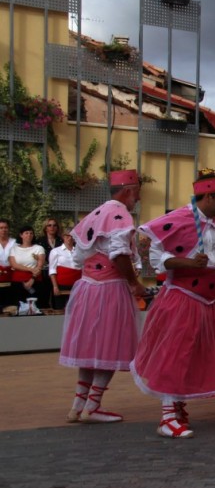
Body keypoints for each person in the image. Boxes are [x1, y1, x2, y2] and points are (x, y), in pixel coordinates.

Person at [131, 169, 215, 439]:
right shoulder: (178, 220)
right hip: (182, 298)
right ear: (206, 196)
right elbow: (157, 257)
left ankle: (178, 405)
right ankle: (167, 417)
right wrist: (188, 263)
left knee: (202, 353)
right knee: (174, 354)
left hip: (210, 299)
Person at [58, 170, 147, 424]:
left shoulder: (95, 215)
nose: (138, 198)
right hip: (110, 288)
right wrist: (133, 282)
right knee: (111, 345)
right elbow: (119, 254)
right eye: (138, 192)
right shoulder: (119, 215)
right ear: (128, 190)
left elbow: (77, 257)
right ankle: (92, 406)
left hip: (87, 288)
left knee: (90, 346)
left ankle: (78, 405)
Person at [8, 225, 46, 307]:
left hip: (35, 281)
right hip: (18, 282)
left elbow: (40, 265)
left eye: (31, 233)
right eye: (26, 233)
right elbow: (14, 265)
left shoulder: (39, 248)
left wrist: (32, 279)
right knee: (18, 306)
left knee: (35, 306)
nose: (29, 235)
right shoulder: (14, 249)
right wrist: (30, 269)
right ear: (21, 235)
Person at [49, 228, 82, 310]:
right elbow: (52, 270)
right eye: (67, 236)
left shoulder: (79, 251)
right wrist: (55, 286)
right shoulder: (55, 251)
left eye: (72, 236)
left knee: (77, 309)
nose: (69, 238)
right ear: (63, 237)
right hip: (62, 285)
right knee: (60, 309)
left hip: (77, 285)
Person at [36, 218, 63, 309]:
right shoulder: (39, 241)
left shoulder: (61, 241)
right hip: (44, 273)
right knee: (44, 297)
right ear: (45, 228)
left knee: (57, 297)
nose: (52, 227)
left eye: (54, 225)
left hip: (58, 273)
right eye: (49, 225)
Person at [0, 218, 16, 310]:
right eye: (1, 228)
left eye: (5, 227)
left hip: (11, 277)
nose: (3, 230)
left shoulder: (14, 243)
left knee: (9, 306)